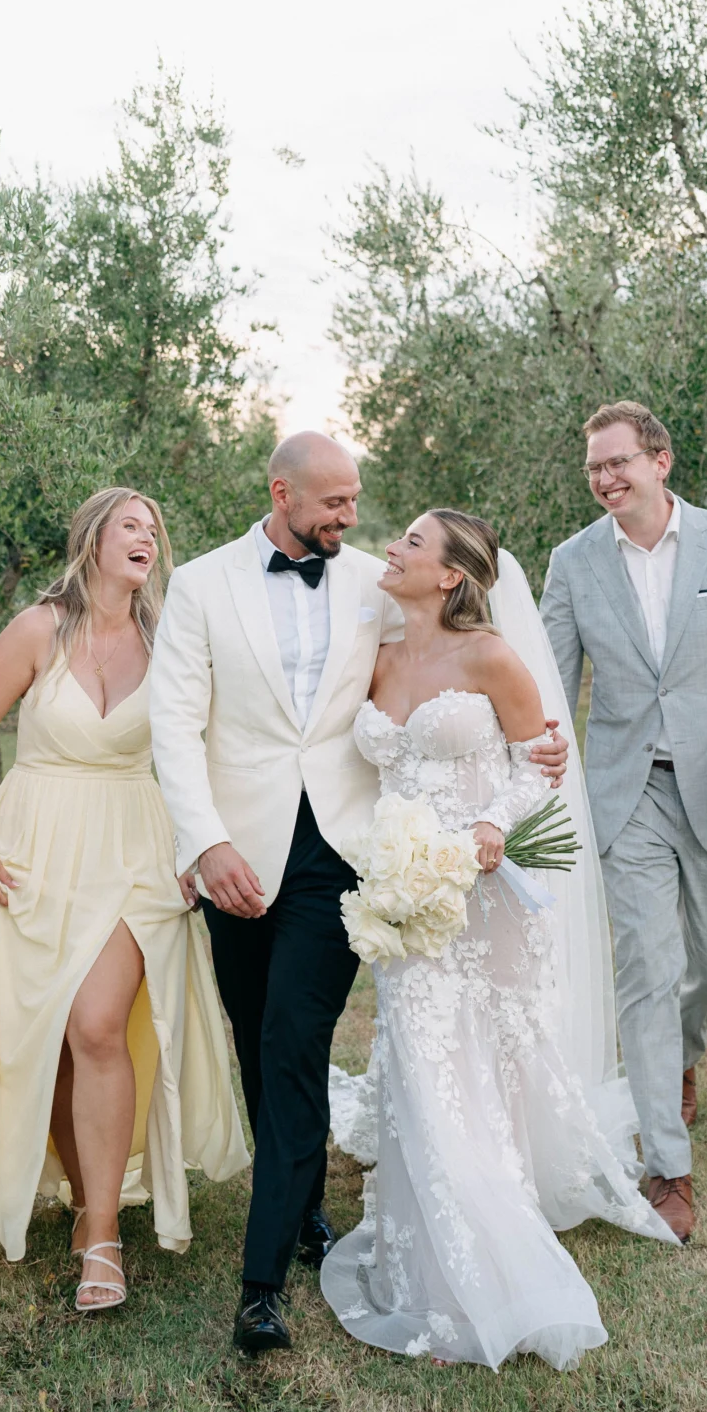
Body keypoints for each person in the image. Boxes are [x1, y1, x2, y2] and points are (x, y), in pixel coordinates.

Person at [146, 432, 570, 1356]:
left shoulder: (374, 580)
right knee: (255, 1041)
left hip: (343, 857)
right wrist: (205, 841)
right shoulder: (202, 587)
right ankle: (298, 1213)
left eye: (356, 502)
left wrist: (533, 758)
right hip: (236, 855)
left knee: (294, 1044)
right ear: (281, 492)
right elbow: (173, 728)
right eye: (334, 502)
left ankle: (260, 1289)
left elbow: (457, 657)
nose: (351, 517)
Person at [321, 510, 677, 1371]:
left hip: (484, 893)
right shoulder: (371, 652)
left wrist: (488, 825)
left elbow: (536, 759)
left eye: (411, 542)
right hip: (407, 892)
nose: (392, 549)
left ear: (449, 576)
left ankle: (492, 1235)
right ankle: (431, 1243)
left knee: (486, 1057)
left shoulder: (489, 655)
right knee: (418, 1056)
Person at [0, 487, 248, 1310]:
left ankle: (104, 1238)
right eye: (130, 525)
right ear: (94, 541)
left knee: (98, 1023)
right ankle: (85, 1197)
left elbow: (205, 745)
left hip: (136, 848)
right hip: (36, 846)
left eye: (155, 527)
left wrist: (199, 842)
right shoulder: (40, 627)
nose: (147, 537)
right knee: (50, 1032)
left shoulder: (169, 635)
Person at [539, 401, 707, 1245]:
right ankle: (668, 1167)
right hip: (625, 792)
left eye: (619, 463)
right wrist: (532, 757)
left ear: (661, 461)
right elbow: (547, 682)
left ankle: (681, 1058)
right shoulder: (573, 563)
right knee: (647, 967)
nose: (606, 479)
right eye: (594, 470)